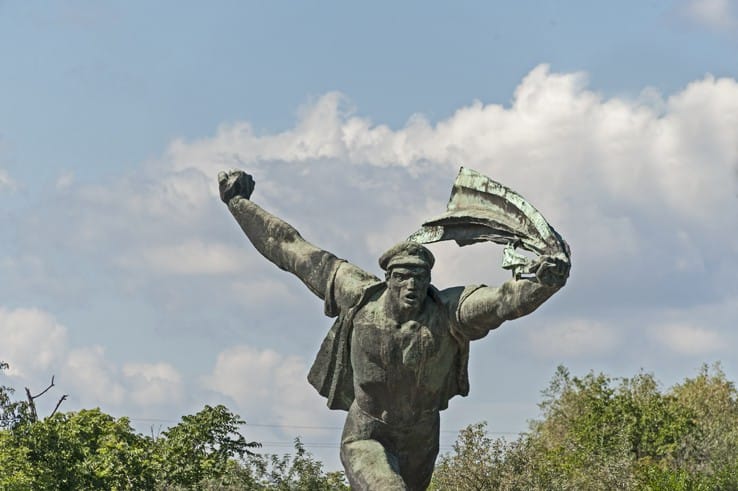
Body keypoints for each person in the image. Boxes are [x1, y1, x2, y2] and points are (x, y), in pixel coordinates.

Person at [218, 169, 569, 490]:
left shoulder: (448, 313)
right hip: (368, 433)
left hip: (421, 437)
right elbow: (290, 248)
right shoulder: (357, 295)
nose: (412, 287)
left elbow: (501, 302)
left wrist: (543, 283)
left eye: (420, 278)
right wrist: (239, 204)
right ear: (388, 278)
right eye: (402, 278)